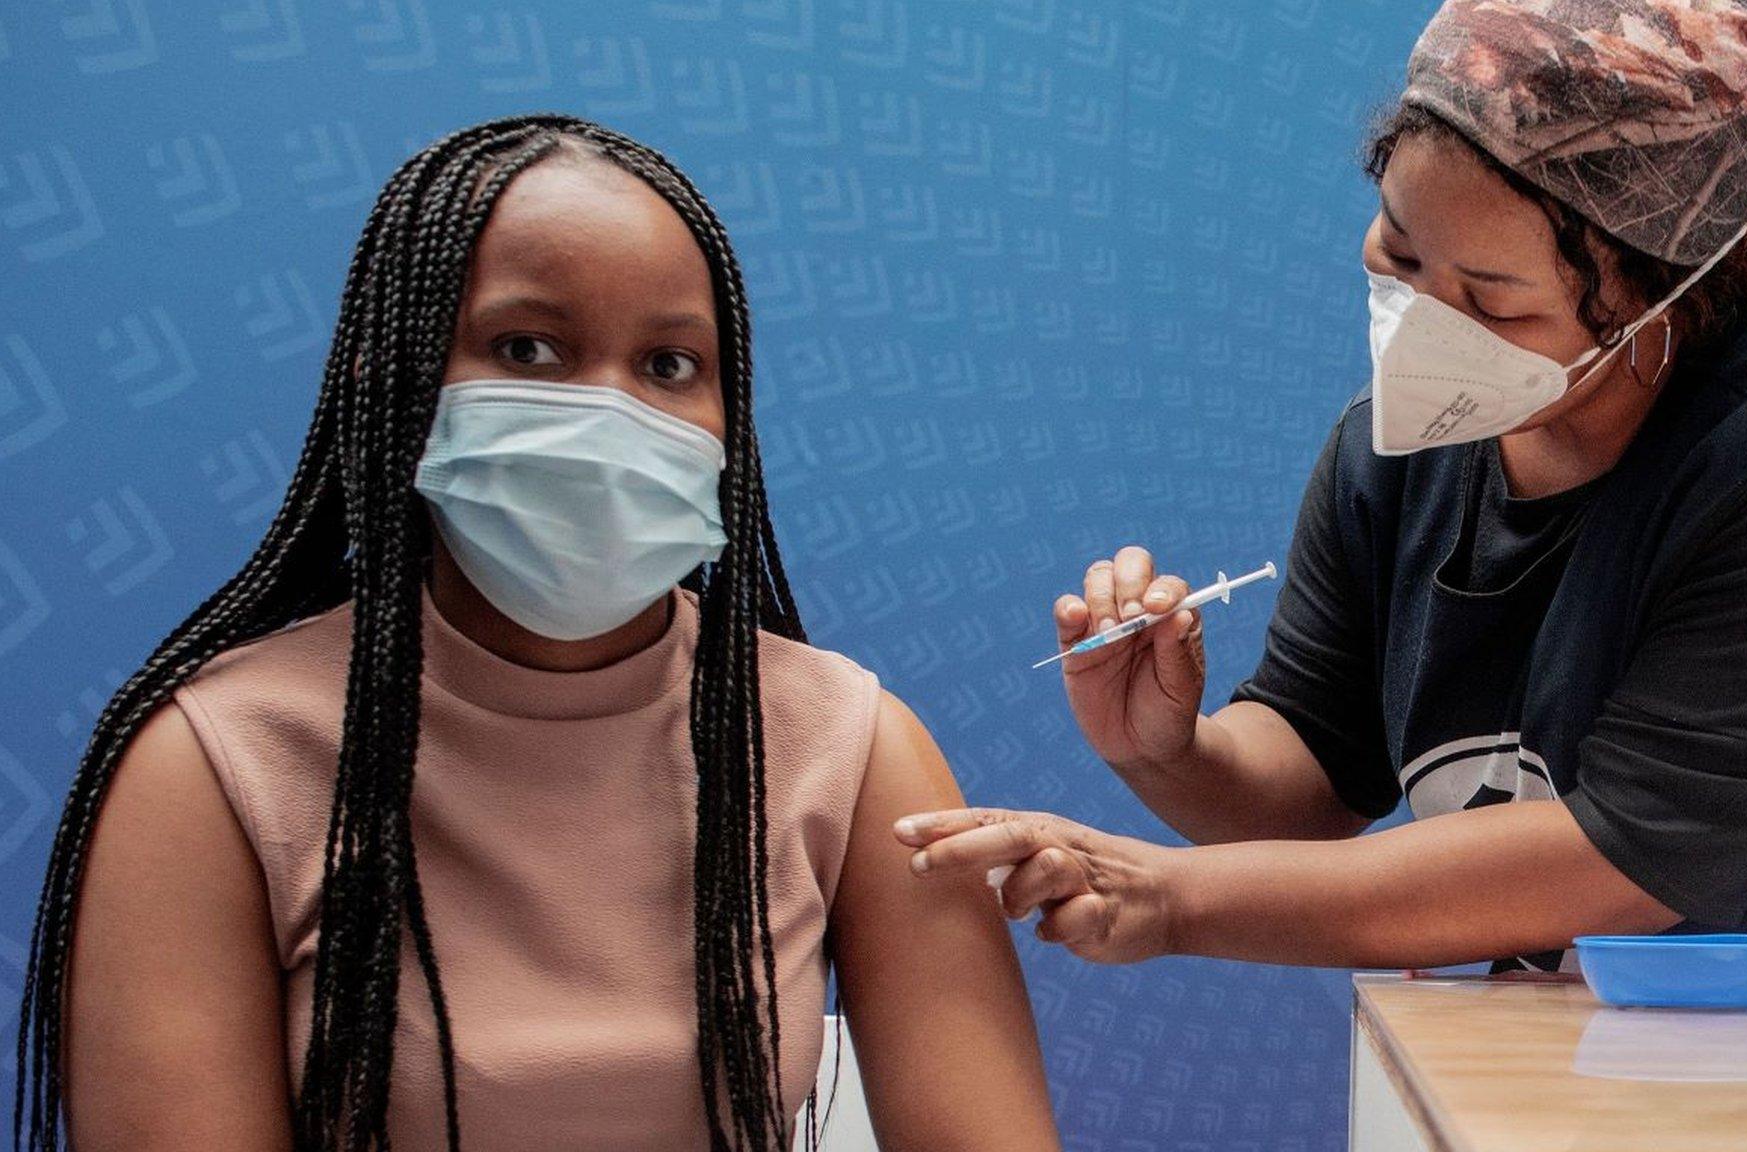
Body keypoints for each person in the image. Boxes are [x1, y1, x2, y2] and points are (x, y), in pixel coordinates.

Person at [897, 0, 1747, 992]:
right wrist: (1169, 753)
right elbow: (1309, 787)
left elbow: (1618, 865)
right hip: (1635, 1056)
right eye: (1399, 255)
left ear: (1667, 296)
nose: (1425, 328)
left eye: (1492, 304)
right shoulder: (1405, 446)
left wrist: (1169, 898)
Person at [16, 115, 1061, 1152]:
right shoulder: (214, 766)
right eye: (528, 348)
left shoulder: (847, 746)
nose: (608, 416)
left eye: (667, 365)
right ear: (400, 379)